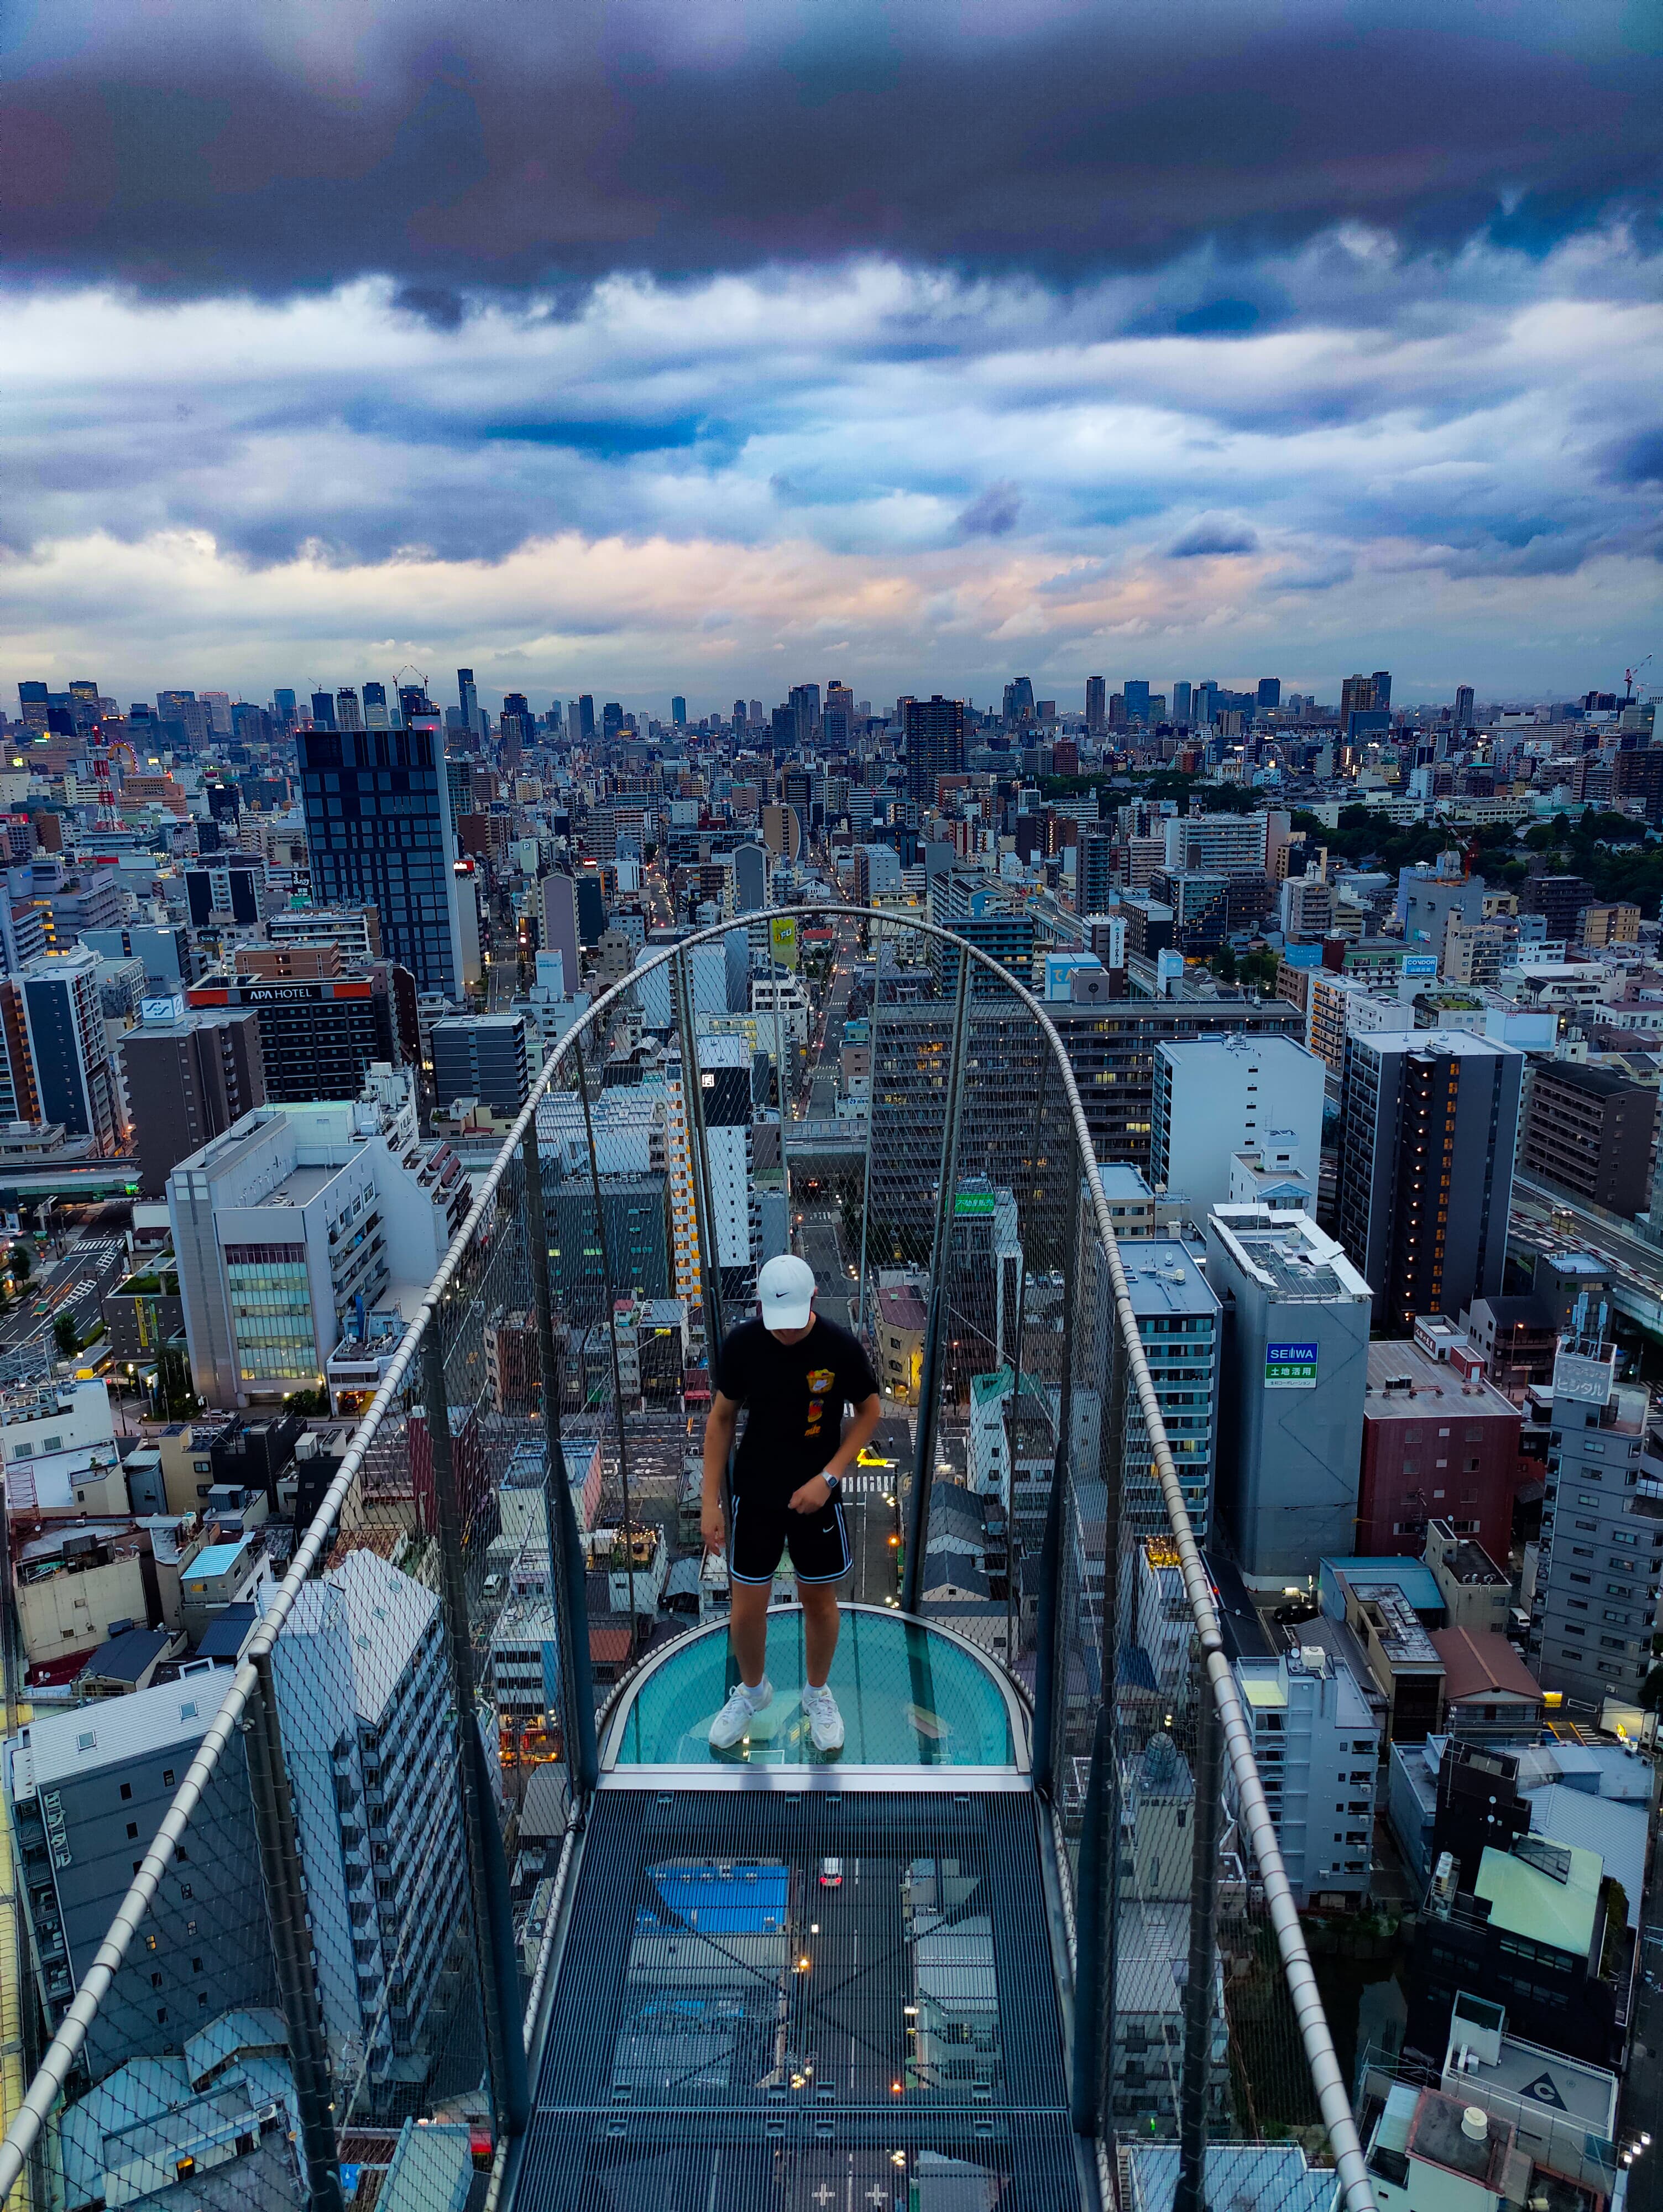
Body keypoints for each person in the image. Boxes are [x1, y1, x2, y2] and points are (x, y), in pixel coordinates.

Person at [700, 1254, 881, 1752]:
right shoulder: (742, 1344)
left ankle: (817, 1693)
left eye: (793, 1321)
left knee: (819, 1601)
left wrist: (829, 1476)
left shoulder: (839, 1347)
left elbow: (870, 1412)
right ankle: (754, 1692)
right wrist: (709, 1502)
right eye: (774, 1322)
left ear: (813, 1302)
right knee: (746, 1606)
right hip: (755, 1489)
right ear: (759, 1305)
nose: (783, 1333)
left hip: (815, 1492)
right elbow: (720, 1421)